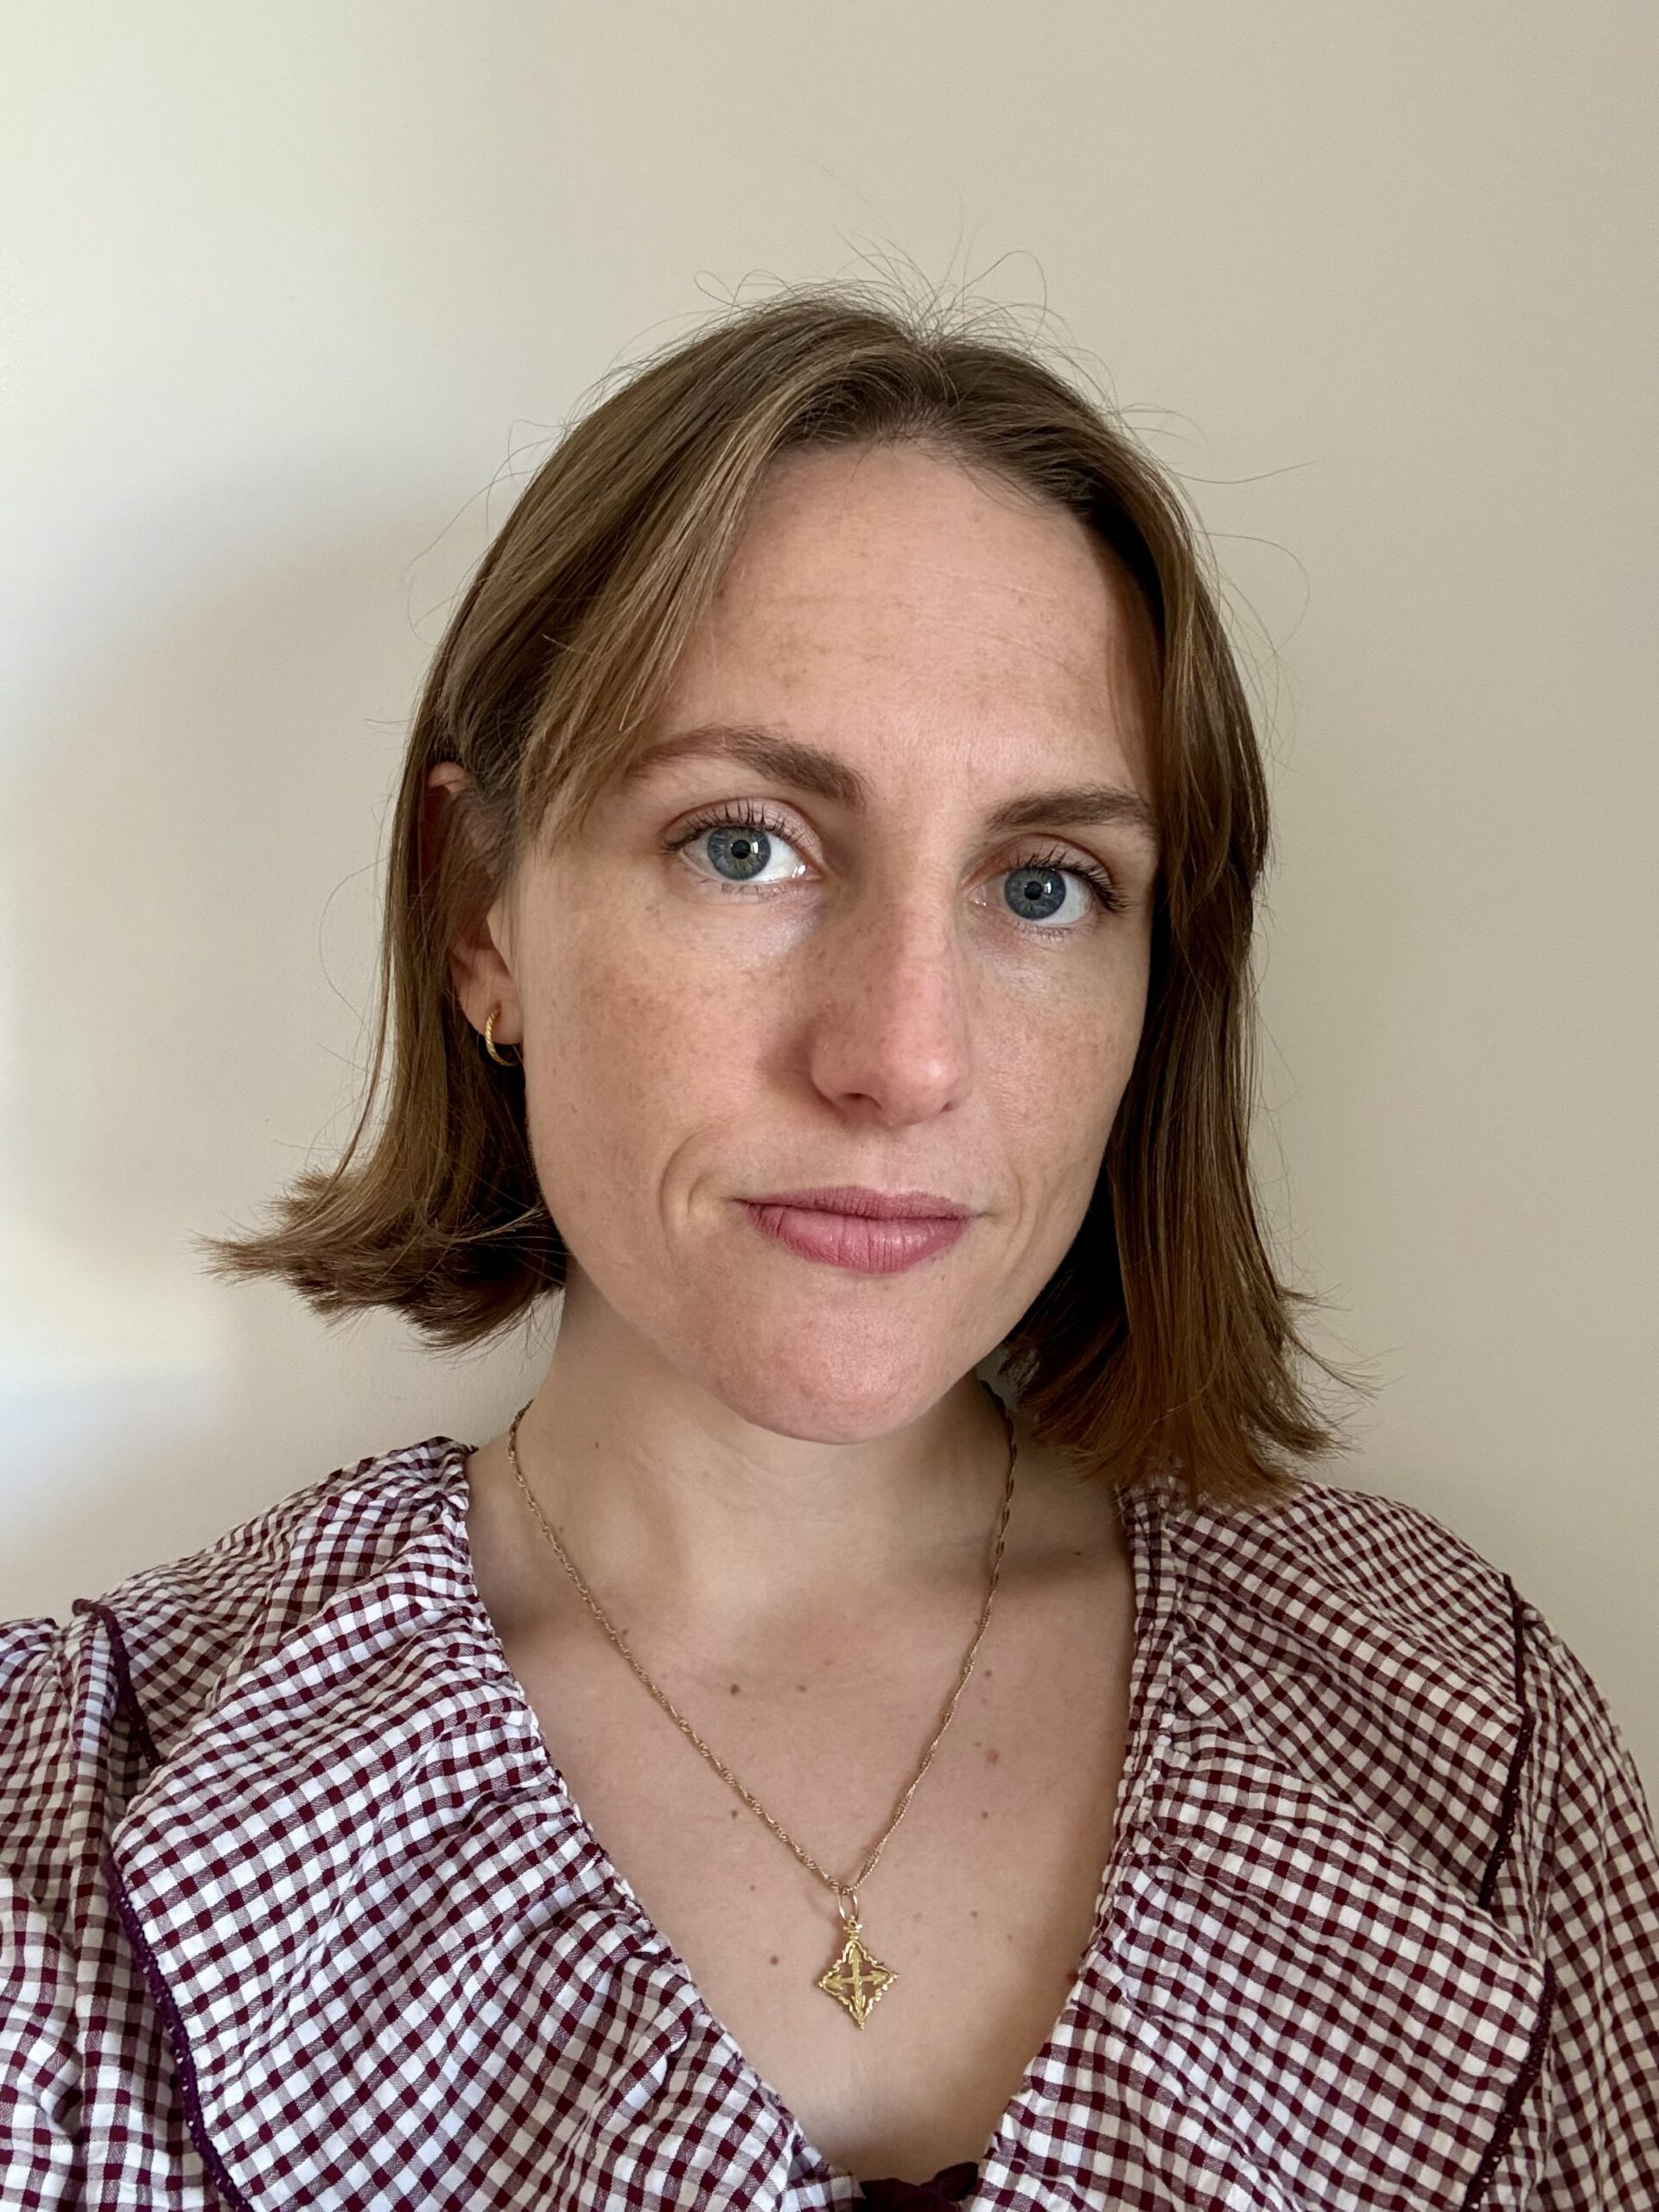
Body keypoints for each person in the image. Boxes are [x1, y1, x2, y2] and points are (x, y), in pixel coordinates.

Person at [3, 288, 1655, 2212]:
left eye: (1047, 883)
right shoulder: (78, 1827)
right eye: (745, 844)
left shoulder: (1454, 1738)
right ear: (481, 918)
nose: (904, 1057)